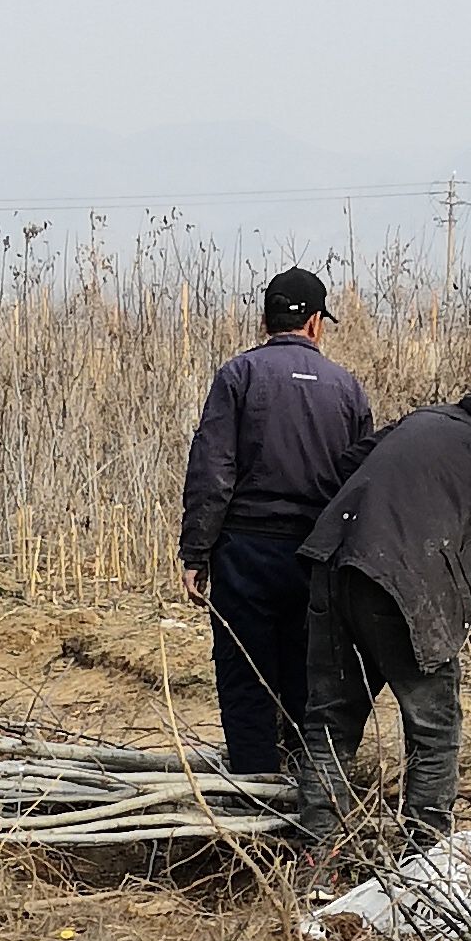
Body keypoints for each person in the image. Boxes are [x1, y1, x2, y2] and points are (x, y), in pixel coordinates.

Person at [294, 385, 471, 855]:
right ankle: (423, 867)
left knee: (330, 721)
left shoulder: (430, 416)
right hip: (408, 582)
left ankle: (317, 861)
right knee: (435, 730)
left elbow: (347, 465)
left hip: (333, 557)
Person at [177, 269, 372, 774]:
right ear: (314, 323)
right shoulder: (347, 390)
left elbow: (212, 470)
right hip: (316, 557)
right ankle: (311, 795)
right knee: (310, 682)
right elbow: (361, 481)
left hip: (244, 553)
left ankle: (253, 795)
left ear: (265, 320)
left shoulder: (237, 376)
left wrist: (196, 553)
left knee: (245, 679)